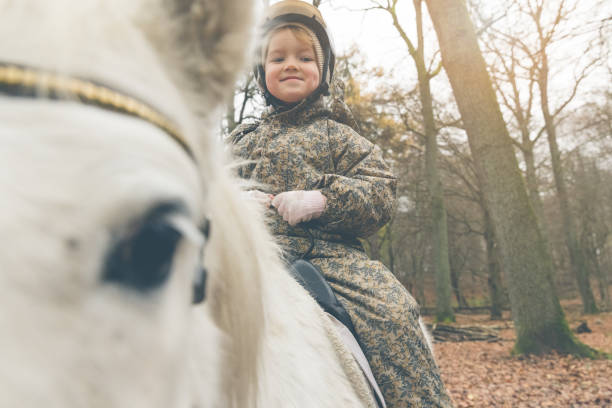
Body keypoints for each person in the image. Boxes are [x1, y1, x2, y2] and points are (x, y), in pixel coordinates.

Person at [230, 1, 453, 406]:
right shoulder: (240, 142)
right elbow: (206, 190)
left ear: (324, 70)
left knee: (394, 313)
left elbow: (381, 192)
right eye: (277, 57)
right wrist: (231, 206)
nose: (291, 65)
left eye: (304, 57)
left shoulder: (341, 136)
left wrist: (324, 200)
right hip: (250, 253)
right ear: (262, 73)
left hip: (332, 259)